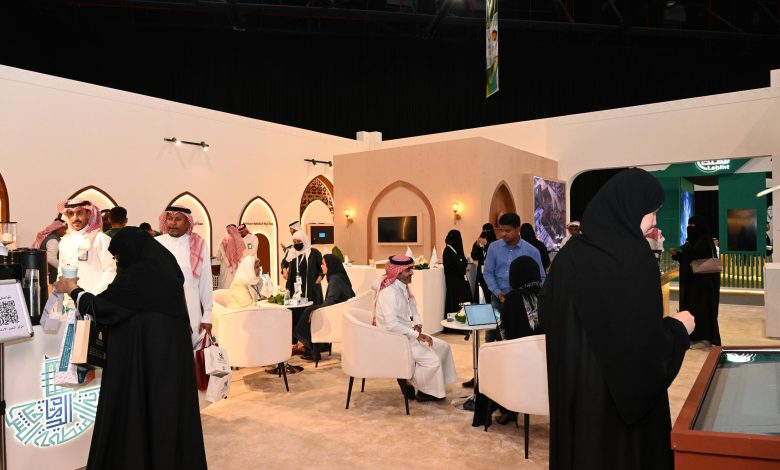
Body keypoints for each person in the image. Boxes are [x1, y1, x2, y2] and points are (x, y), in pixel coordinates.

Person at [539, 168, 695, 470]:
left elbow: (546, 316)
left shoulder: (569, 256)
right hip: (619, 417)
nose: (655, 221)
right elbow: (645, 353)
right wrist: (678, 329)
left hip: (576, 399)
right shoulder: (635, 259)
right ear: (631, 209)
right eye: (652, 211)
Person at [53, 227, 207, 470]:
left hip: (144, 360)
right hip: (170, 360)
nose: (118, 262)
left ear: (130, 252)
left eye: (119, 257)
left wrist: (72, 289)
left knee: (138, 414)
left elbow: (102, 307)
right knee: (167, 415)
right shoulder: (165, 270)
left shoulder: (139, 276)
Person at [373, 255, 457, 401]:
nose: (412, 272)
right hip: (394, 339)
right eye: (408, 270)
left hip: (406, 333)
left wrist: (418, 325)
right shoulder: (388, 293)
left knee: (444, 347)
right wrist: (416, 335)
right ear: (398, 272)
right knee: (432, 361)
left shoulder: (404, 287)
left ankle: (432, 388)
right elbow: (391, 325)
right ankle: (409, 381)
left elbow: (414, 309)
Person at [472, 255, 544, 427]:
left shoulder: (513, 299)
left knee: (490, 365)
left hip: (519, 361)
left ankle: (502, 411)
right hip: (545, 362)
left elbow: (505, 334)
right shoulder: (548, 295)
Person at [156, 205, 213, 347]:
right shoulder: (157, 243)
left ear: (188, 222)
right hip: (162, 307)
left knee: (189, 347)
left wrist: (207, 316)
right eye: (169, 218)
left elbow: (205, 282)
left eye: (178, 219)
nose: (172, 223)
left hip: (190, 307)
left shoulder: (198, 245)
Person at [484, 212, 545, 342]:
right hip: (498, 299)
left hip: (522, 304)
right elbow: (488, 272)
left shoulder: (531, 251)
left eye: (507, 230)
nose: (503, 234)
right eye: (501, 230)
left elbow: (541, 277)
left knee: (519, 336)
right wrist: (498, 292)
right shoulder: (493, 248)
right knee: (492, 333)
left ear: (518, 229)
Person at [669, 215, 721, 348]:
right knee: (697, 309)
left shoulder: (703, 241)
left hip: (701, 285)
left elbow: (692, 256)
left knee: (700, 310)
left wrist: (678, 254)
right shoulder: (700, 239)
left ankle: (701, 336)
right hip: (697, 284)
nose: (689, 228)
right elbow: (690, 257)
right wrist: (678, 255)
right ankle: (695, 335)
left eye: (692, 225)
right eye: (689, 225)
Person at [293, 254, 355, 361]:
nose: (321, 266)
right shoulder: (338, 277)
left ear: (330, 265)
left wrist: (317, 310)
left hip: (336, 317)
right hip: (340, 313)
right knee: (310, 310)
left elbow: (331, 301)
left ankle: (309, 348)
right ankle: (307, 347)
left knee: (309, 311)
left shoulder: (335, 279)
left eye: (323, 263)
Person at [57, 199, 117, 294]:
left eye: (79, 213)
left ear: (88, 214)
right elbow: (61, 272)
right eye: (71, 214)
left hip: (95, 299)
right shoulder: (64, 242)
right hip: (70, 300)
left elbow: (111, 270)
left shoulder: (100, 239)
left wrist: (94, 297)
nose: (75, 218)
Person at [285, 230, 324, 305]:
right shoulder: (292, 252)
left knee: (310, 308)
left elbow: (323, 267)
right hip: (294, 286)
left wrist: (319, 278)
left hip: (310, 286)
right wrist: (284, 270)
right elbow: (284, 262)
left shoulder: (314, 252)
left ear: (304, 240)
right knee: (295, 308)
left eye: (299, 241)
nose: (296, 243)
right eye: (294, 242)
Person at [443, 229, 472, 318]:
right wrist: (463, 263)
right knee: (456, 306)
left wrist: (462, 263)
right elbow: (460, 268)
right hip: (454, 285)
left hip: (458, 284)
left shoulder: (454, 250)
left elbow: (463, 262)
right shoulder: (448, 251)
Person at [32, 218, 67, 285]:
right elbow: (50, 258)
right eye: (64, 229)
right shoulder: (53, 240)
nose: (65, 232)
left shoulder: (51, 237)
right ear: (59, 228)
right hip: (51, 276)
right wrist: (63, 268)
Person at [470, 223, 496, 303]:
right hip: (481, 274)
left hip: (492, 274)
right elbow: (474, 256)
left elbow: (495, 254)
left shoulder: (496, 242)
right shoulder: (480, 241)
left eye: (488, 231)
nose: (486, 232)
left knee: (491, 296)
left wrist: (486, 245)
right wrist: (477, 245)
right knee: (480, 294)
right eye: (484, 230)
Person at [217, 224, 244, 289]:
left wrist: (225, 259)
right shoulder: (240, 241)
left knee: (225, 285)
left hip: (225, 266)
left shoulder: (223, 241)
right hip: (236, 266)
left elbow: (218, 256)